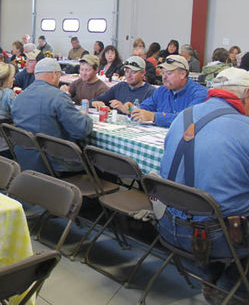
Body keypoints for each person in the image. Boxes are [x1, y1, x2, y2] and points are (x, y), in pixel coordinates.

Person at [158, 67, 249, 304]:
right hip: (216, 237)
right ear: (246, 95)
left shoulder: (184, 116)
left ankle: (210, 278)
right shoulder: (244, 128)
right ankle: (234, 290)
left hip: (168, 226)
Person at [12, 58, 92, 174]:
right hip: (55, 163)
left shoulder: (18, 97)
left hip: (25, 160)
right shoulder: (58, 97)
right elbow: (80, 130)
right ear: (54, 74)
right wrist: (85, 117)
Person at [130, 55, 207, 127]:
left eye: (169, 73)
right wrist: (133, 109)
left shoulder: (200, 94)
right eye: (163, 73)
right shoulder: (161, 90)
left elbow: (186, 120)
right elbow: (145, 107)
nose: (164, 77)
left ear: (183, 74)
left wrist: (154, 117)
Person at [91, 56, 156, 113]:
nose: (129, 75)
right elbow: (97, 99)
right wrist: (95, 103)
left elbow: (149, 113)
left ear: (143, 73)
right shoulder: (120, 87)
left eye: (133, 72)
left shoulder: (150, 92)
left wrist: (125, 109)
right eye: (127, 71)